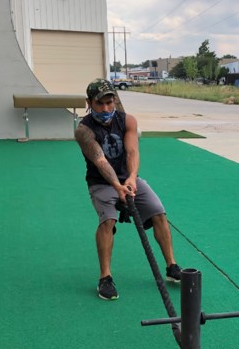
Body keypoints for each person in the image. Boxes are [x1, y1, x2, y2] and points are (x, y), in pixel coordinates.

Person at [75, 79, 181, 300]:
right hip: (101, 182)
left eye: (109, 102)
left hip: (129, 179)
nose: (106, 108)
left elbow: (132, 152)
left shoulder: (128, 121)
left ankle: (172, 266)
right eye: (100, 104)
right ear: (89, 102)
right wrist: (117, 186)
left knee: (158, 212)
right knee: (108, 221)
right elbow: (101, 161)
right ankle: (105, 277)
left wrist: (132, 178)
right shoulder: (83, 130)